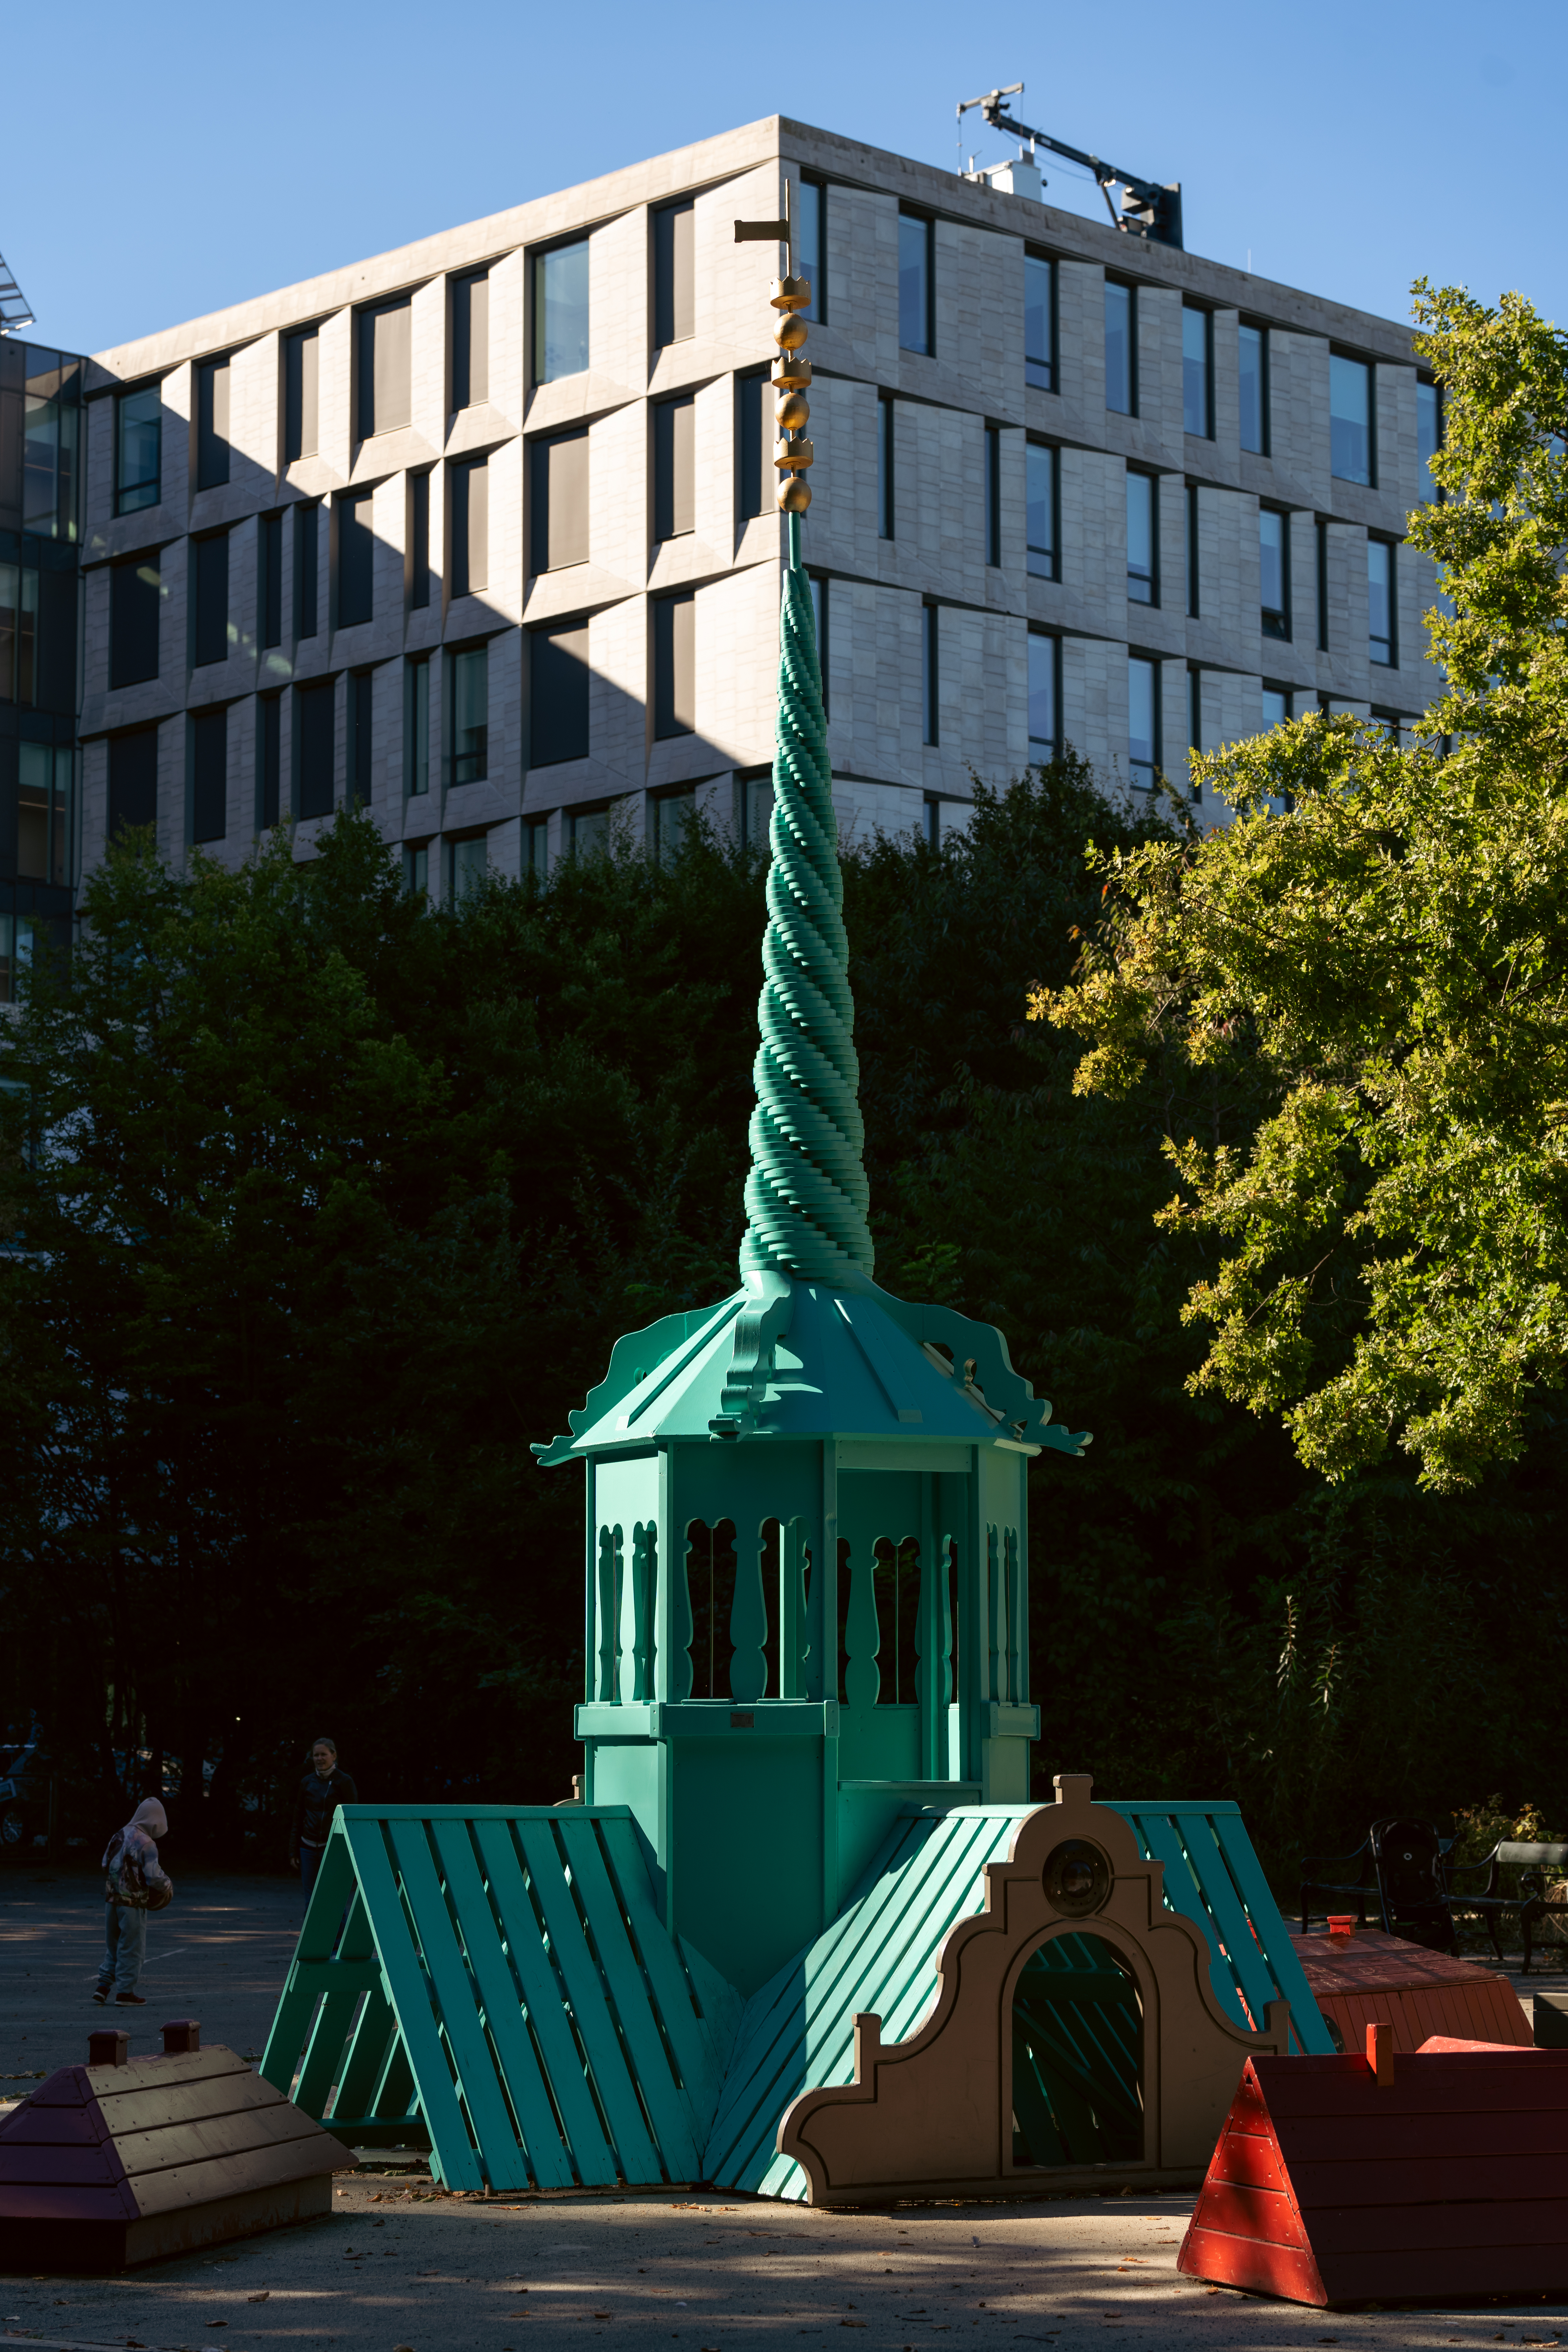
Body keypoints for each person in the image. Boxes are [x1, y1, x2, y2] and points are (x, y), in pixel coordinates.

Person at [94, 1798, 173, 2006]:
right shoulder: (148, 1844)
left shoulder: (118, 1835)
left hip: (111, 1901)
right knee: (132, 1948)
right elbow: (153, 1875)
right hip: (133, 1904)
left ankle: (103, 1987)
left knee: (113, 1947)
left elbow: (105, 1863)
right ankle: (125, 1993)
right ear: (156, 1822)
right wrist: (168, 1886)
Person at [290, 1739, 358, 1904]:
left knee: (335, 1900)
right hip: (308, 1849)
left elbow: (353, 1819)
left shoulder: (344, 1782)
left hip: (333, 1848)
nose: (319, 1758)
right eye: (316, 1755)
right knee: (311, 1900)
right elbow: (298, 1817)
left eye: (323, 1754)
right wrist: (293, 1851)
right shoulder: (307, 1782)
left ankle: (339, 1931)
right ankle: (312, 1931)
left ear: (334, 1756)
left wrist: (351, 1851)